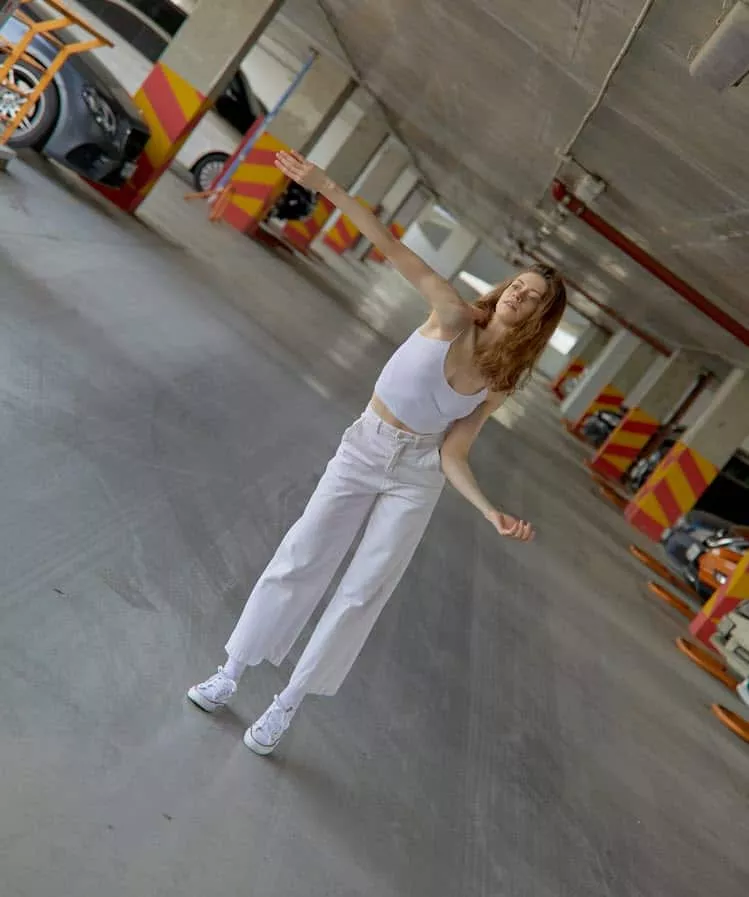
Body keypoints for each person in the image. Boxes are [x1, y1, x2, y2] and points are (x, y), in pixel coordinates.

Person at [187, 150, 567, 755]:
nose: (518, 297)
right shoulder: (449, 312)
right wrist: (325, 185)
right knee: (302, 556)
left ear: (539, 319)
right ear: (502, 290)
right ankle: (231, 670)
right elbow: (393, 248)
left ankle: (286, 706)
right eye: (517, 286)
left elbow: (454, 453)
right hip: (365, 448)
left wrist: (489, 511)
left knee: (363, 591)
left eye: (532, 298)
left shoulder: (500, 381)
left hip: (417, 474)